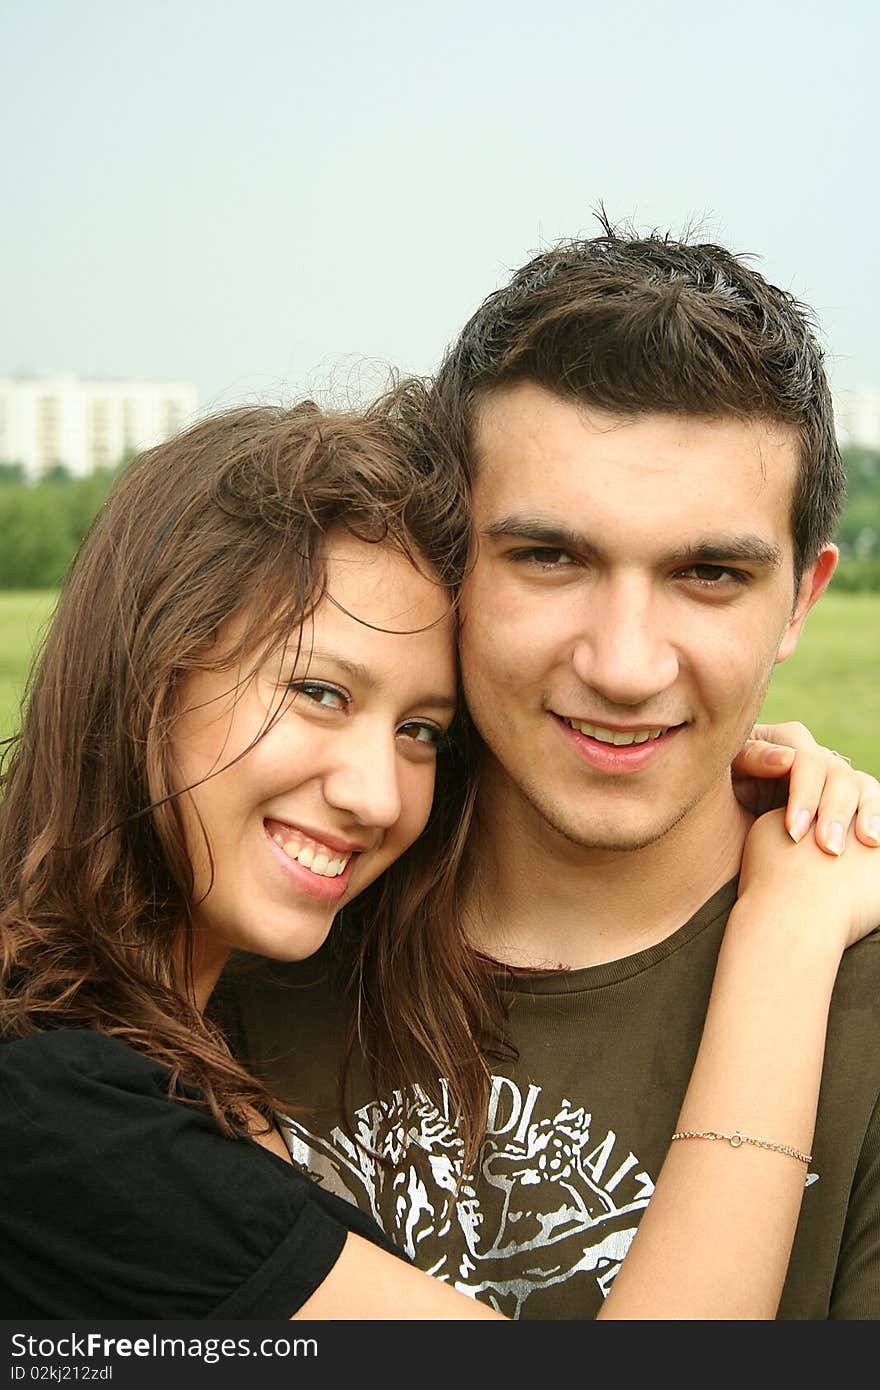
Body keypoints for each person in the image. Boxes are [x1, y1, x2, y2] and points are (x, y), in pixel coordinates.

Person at [1, 381, 877, 1322]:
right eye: (321, 693)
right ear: (146, 670)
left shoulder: (179, 1021)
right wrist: (786, 934)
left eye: (423, 730)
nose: (376, 795)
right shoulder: (55, 1100)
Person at [230, 224, 880, 1320]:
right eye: (550, 556)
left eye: (709, 573)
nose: (623, 666)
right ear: (449, 560)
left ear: (799, 602)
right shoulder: (234, 931)